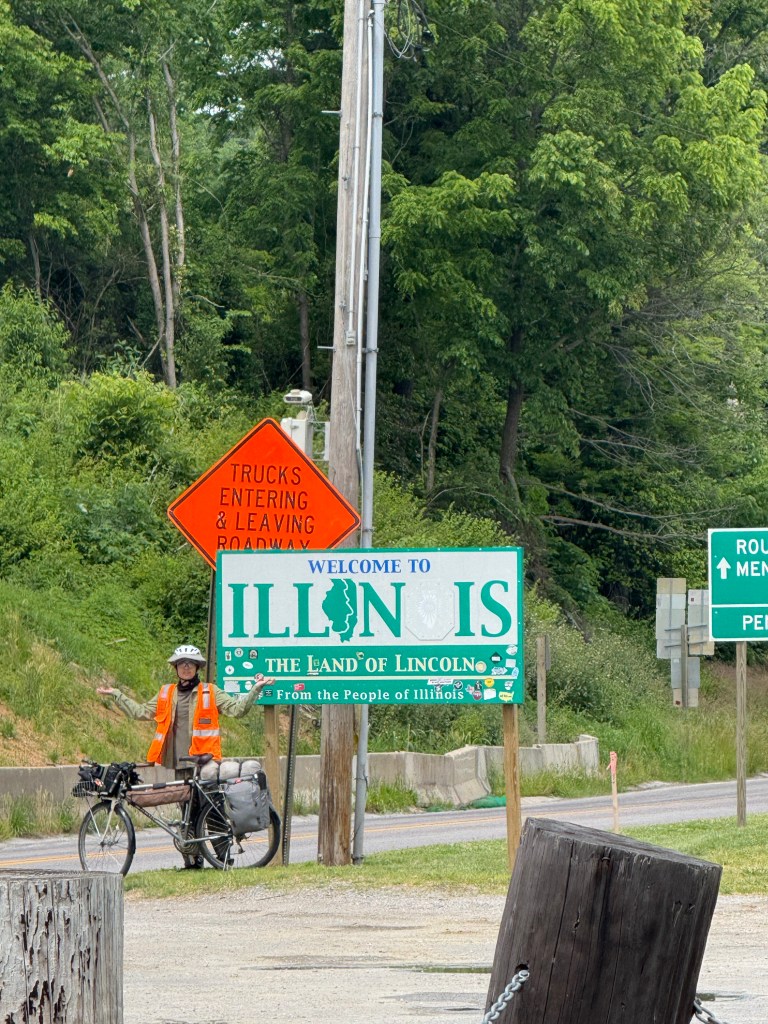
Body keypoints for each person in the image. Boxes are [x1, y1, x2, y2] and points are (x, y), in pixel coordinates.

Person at [97, 643, 269, 868]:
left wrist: (255, 689)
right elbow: (141, 712)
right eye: (181, 664)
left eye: (190, 664)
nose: (186, 667)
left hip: (205, 763)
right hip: (179, 763)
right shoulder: (166, 693)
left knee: (212, 810)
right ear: (176, 668)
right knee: (187, 812)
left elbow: (237, 710)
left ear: (197, 667)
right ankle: (193, 861)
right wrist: (117, 695)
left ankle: (224, 858)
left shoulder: (210, 691)